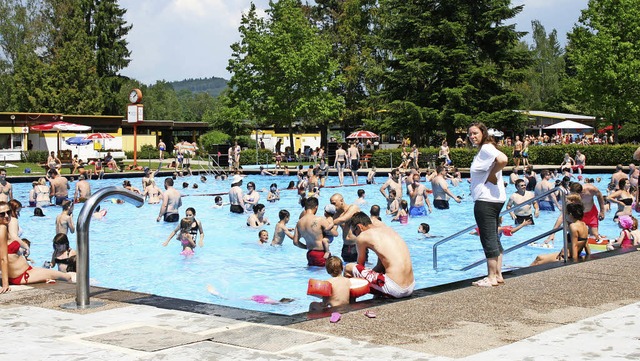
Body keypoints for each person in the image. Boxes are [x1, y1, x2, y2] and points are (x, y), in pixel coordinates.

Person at [468, 122, 508, 287]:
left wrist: (491, 174)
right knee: (493, 236)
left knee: (488, 237)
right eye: (470, 134)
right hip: (494, 199)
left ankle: (491, 277)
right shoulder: (486, 149)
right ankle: (498, 274)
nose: (472, 137)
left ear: (483, 133)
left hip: (486, 201)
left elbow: (503, 159)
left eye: (475, 133)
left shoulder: (486, 148)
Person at [344, 212, 415, 298]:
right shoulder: (387, 229)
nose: (356, 235)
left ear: (359, 227)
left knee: (348, 268)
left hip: (395, 289)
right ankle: (377, 297)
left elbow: (360, 266)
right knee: (381, 270)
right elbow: (380, 266)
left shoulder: (362, 236)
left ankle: (349, 305)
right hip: (410, 287)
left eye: (355, 232)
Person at [293, 197, 332, 267]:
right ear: (316, 207)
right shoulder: (320, 219)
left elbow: (295, 242)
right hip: (321, 253)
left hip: (310, 254)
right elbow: (334, 233)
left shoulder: (299, 222)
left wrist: (306, 247)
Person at [330, 193, 361, 263]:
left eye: (334, 203)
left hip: (357, 245)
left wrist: (329, 223)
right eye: (331, 204)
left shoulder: (353, 208)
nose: (332, 206)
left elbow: (344, 219)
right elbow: (334, 231)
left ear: (341, 201)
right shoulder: (336, 214)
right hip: (346, 247)